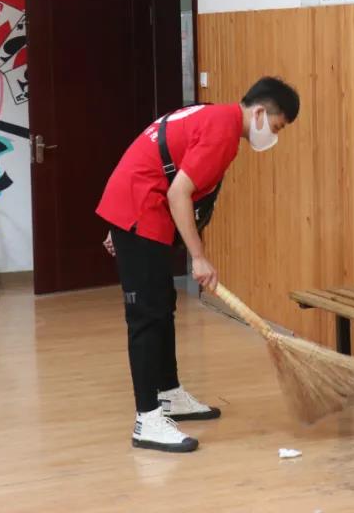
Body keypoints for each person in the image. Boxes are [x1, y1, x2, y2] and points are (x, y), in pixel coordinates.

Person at [96, 77, 300, 453]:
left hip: (138, 205)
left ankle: (169, 393)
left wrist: (121, 219)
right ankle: (148, 420)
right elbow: (180, 193)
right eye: (276, 127)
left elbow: (157, 158)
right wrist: (199, 257)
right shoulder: (222, 131)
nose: (273, 136)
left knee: (162, 306)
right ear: (259, 113)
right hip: (141, 207)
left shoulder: (214, 116)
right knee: (146, 316)